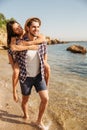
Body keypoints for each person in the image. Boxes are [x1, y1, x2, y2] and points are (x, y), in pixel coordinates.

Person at [7, 18, 50, 129]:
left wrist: (29, 43)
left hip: (38, 76)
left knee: (45, 99)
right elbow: (12, 48)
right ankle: (25, 114)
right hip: (25, 77)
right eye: (34, 27)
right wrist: (29, 46)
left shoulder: (41, 40)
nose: (36, 29)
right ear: (28, 28)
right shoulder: (17, 40)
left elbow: (44, 48)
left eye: (38, 27)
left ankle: (39, 121)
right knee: (25, 100)